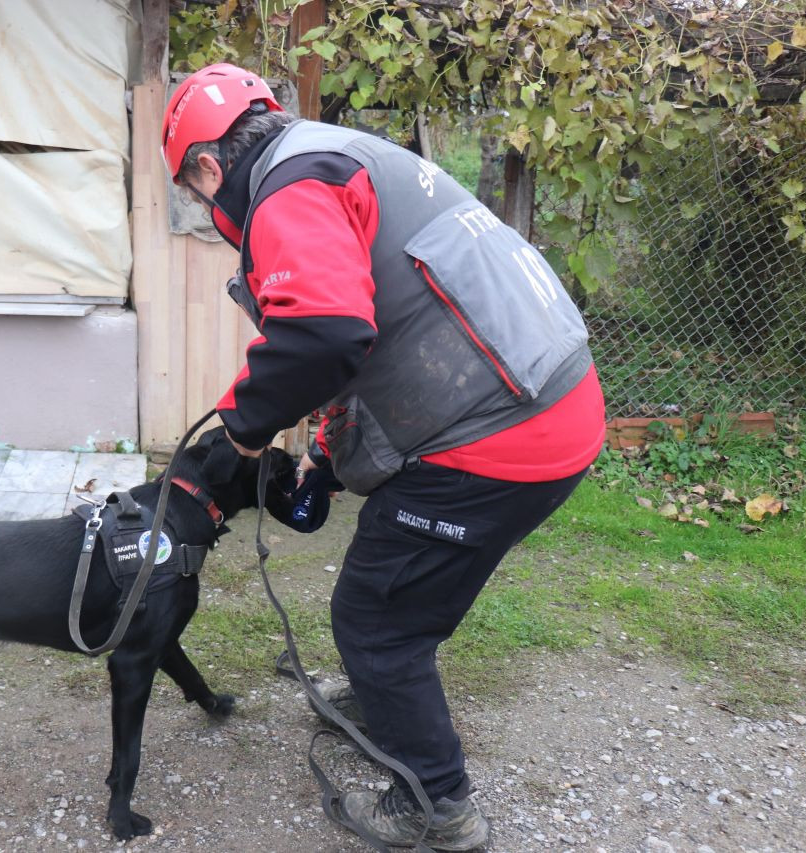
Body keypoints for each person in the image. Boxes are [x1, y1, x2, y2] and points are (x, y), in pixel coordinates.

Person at [161, 63, 606, 852]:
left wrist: (242, 427)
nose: (207, 209)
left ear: (206, 166)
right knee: (404, 588)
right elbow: (386, 332)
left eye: (198, 194)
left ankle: (439, 810)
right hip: (547, 401)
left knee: (375, 620)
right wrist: (329, 461)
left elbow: (325, 335)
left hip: (502, 431)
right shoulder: (334, 154)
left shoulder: (286, 189)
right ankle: (384, 695)